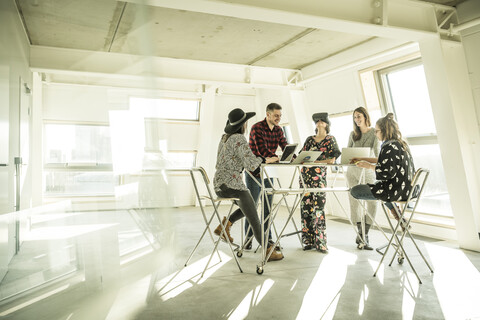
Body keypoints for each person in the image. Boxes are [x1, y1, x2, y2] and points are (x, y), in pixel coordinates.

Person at [213, 108, 283, 261]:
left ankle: (225, 225)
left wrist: (260, 159)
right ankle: (267, 250)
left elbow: (244, 159)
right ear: (243, 125)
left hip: (219, 185)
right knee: (254, 217)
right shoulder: (238, 138)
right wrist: (268, 159)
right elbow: (252, 165)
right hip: (232, 186)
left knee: (251, 205)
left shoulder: (224, 137)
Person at [350, 113, 415, 231]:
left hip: (395, 191)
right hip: (408, 189)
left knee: (355, 191)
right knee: (381, 191)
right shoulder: (401, 144)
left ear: (384, 131)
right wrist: (363, 160)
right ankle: (399, 216)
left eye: (377, 131)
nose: (375, 134)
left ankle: (365, 228)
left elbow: (386, 172)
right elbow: (384, 162)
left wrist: (369, 166)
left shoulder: (388, 147)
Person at [244, 103, 287, 250]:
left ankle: (267, 240)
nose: (278, 118)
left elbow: (285, 146)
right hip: (254, 172)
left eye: (280, 116)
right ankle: (248, 239)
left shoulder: (279, 130)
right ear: (268, 114)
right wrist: (276, 157)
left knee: (268, 207)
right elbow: (262, 151)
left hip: (269, 172)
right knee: (252, 206)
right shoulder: (257, 128)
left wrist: (292, 156)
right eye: (276, 115)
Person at [299, 112, 341, 253]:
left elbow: (332, 160)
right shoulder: (309, 139)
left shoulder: (330, 140)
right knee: (306, 209)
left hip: (319, 178)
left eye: (322, 121)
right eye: (317, 121)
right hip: (305, 177)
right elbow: (301, 156)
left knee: (319, 209)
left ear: (327, 123)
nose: (319, 122)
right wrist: (309, 162)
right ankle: (307, 241)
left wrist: (315, 162)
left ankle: (321, 242)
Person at [345, 107, 380, 250]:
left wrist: (363, 160)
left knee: (373, 204)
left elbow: (378, 157)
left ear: (365, 116)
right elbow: (347, 154)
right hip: (353, 173)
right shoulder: (353, 134)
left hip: (368, 173)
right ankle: (362, 236)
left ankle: (364, 233)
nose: (356, 120)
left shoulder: (374, 134)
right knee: (355, 204)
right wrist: (350, 159)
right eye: (354, 117)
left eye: (359, 116)